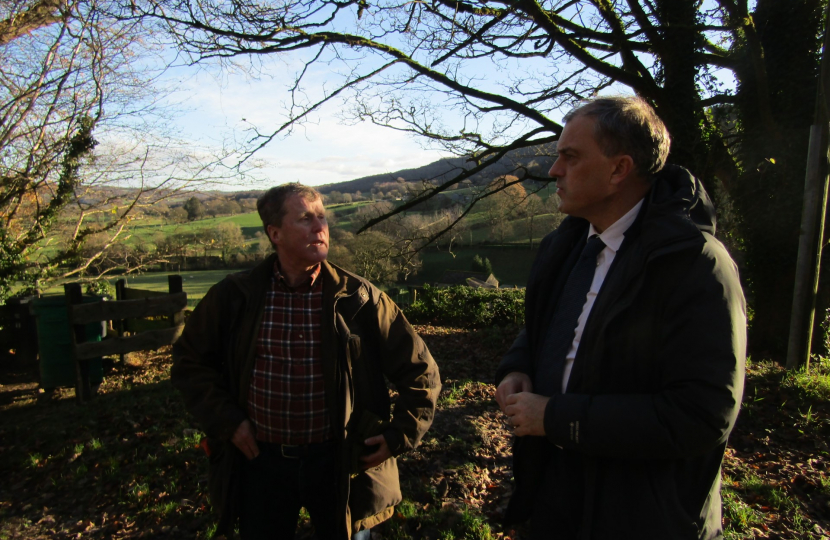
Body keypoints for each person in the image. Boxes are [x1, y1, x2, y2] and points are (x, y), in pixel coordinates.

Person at [494, 96, 746, 540]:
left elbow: (701, 416)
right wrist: (517, 366)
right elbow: (546, 326)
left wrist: (557, 418)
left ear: (618, 169)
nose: (554, 171)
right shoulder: (567, 246)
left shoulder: (694, 266)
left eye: (570, 157)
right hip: (556, 501)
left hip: (642, 517)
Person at [171, 183, 440, 539]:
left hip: (339, 462)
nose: (319, 227)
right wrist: (228, 421)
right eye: (305, 218)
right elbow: (190, 361)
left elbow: (421, 372)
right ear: (275, 233)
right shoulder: (234, 297)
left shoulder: (359, 299)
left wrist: (398, 435)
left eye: (322, 217)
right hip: (260, 463)